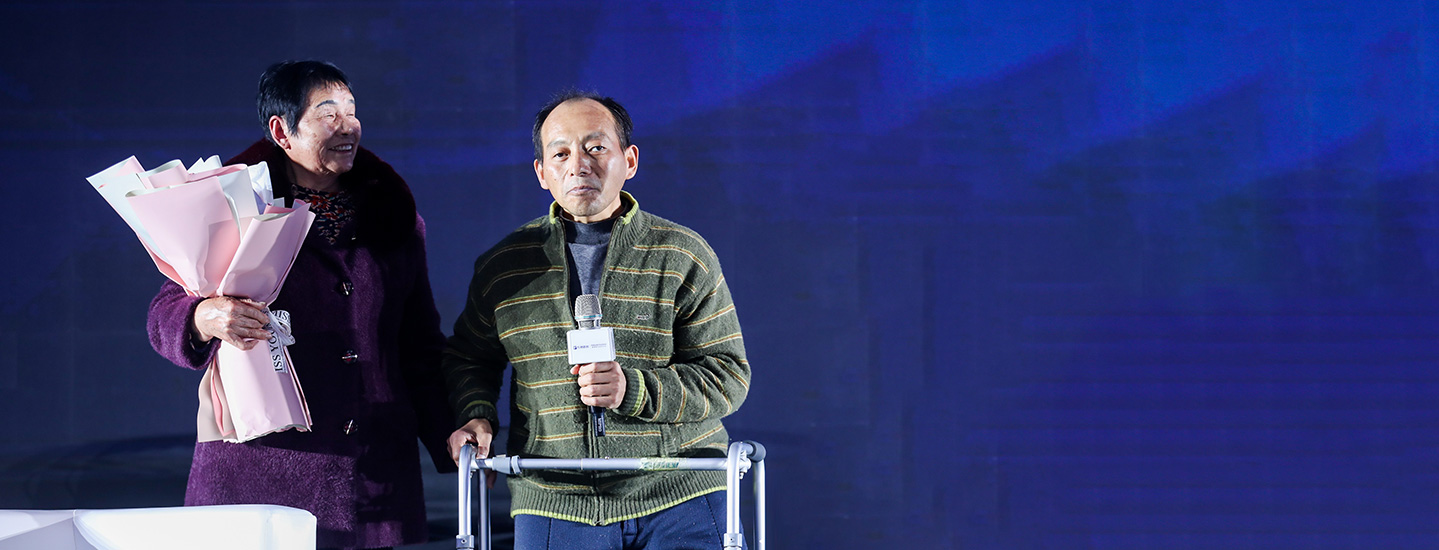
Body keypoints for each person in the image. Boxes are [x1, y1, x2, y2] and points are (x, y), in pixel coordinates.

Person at [146, 60, 454, 550]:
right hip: (260, 470)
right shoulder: (231, 209)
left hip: (370, 471)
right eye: (328, 113)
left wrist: (451, 439)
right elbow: (163, 312)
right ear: (281, 131)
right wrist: (202, 316)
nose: (347, 125)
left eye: (352, 111)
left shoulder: (393, 219)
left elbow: (418, 345)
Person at [442, 91, 751, 550]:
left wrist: (633, 390)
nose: (579, 165)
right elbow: (469, 357)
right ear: (541, 172)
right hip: (554, 500)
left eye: (596, 148)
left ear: (630, 160)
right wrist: (476, 416)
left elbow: (728, 376)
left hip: (681, 492)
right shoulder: (504, 266)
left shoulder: (683, 255)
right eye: (561, 153)